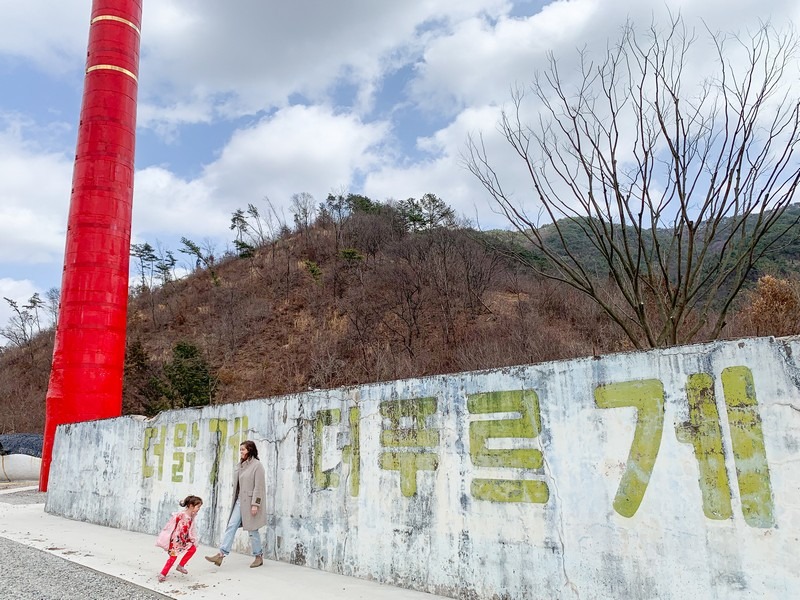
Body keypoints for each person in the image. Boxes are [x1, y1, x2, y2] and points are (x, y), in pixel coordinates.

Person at [205, 440, 267, 568]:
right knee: (231, 526)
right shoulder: (241, 465)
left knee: (252, 530)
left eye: (243, 450)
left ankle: (258, 556)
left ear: (250, 450)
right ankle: (221, 555)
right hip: (240, 501)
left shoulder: (257, 465)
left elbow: (259, 487)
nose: (241, 452)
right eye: (240, 450)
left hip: (250, 503)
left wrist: (256, 504)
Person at [155, 494, 203, 582]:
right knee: (173, 557)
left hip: (184, 540)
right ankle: (163, 574)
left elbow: (190, 529)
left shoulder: (191, 517)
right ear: (191, 506)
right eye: (198, 507)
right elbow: (171, 525)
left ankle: (181, 565)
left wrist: (191, 538)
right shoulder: (181, 515)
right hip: (175, 541)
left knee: (193, 549)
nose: (198, 509)